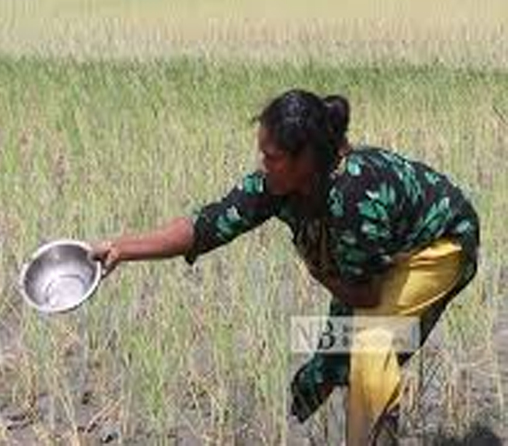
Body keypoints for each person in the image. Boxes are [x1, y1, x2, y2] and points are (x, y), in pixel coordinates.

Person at [89, 89, 480, 445]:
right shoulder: (278, 186)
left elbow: (366, 294)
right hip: (375, 255)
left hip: (441, 242)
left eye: (272, 157)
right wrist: (122, 249)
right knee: (333, 361)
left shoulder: (356, 193)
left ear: (306, 158)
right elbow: (206, 225)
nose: (264, 164)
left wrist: (320, 274)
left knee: (371, 345)